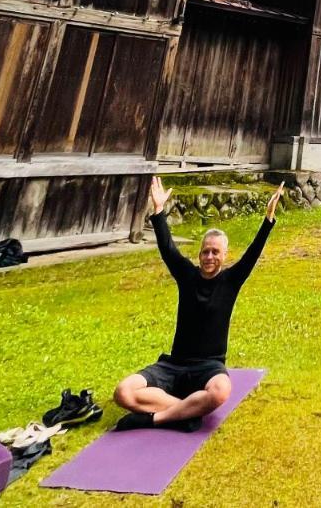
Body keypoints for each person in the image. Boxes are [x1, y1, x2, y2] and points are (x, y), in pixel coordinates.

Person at [112, 177, 284, 431]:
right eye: (206, 251)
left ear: (224, 256)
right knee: (123, 392)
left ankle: (156, 418)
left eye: (215, 252)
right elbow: (168, 249)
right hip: (173, 365)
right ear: (200, 254)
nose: (210, 257)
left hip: (208, 367)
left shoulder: (230, 280)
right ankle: (188, 411)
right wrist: (158, 212)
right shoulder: (187, 276)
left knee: (220, 392)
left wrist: (268, 221)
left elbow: (252, 254)